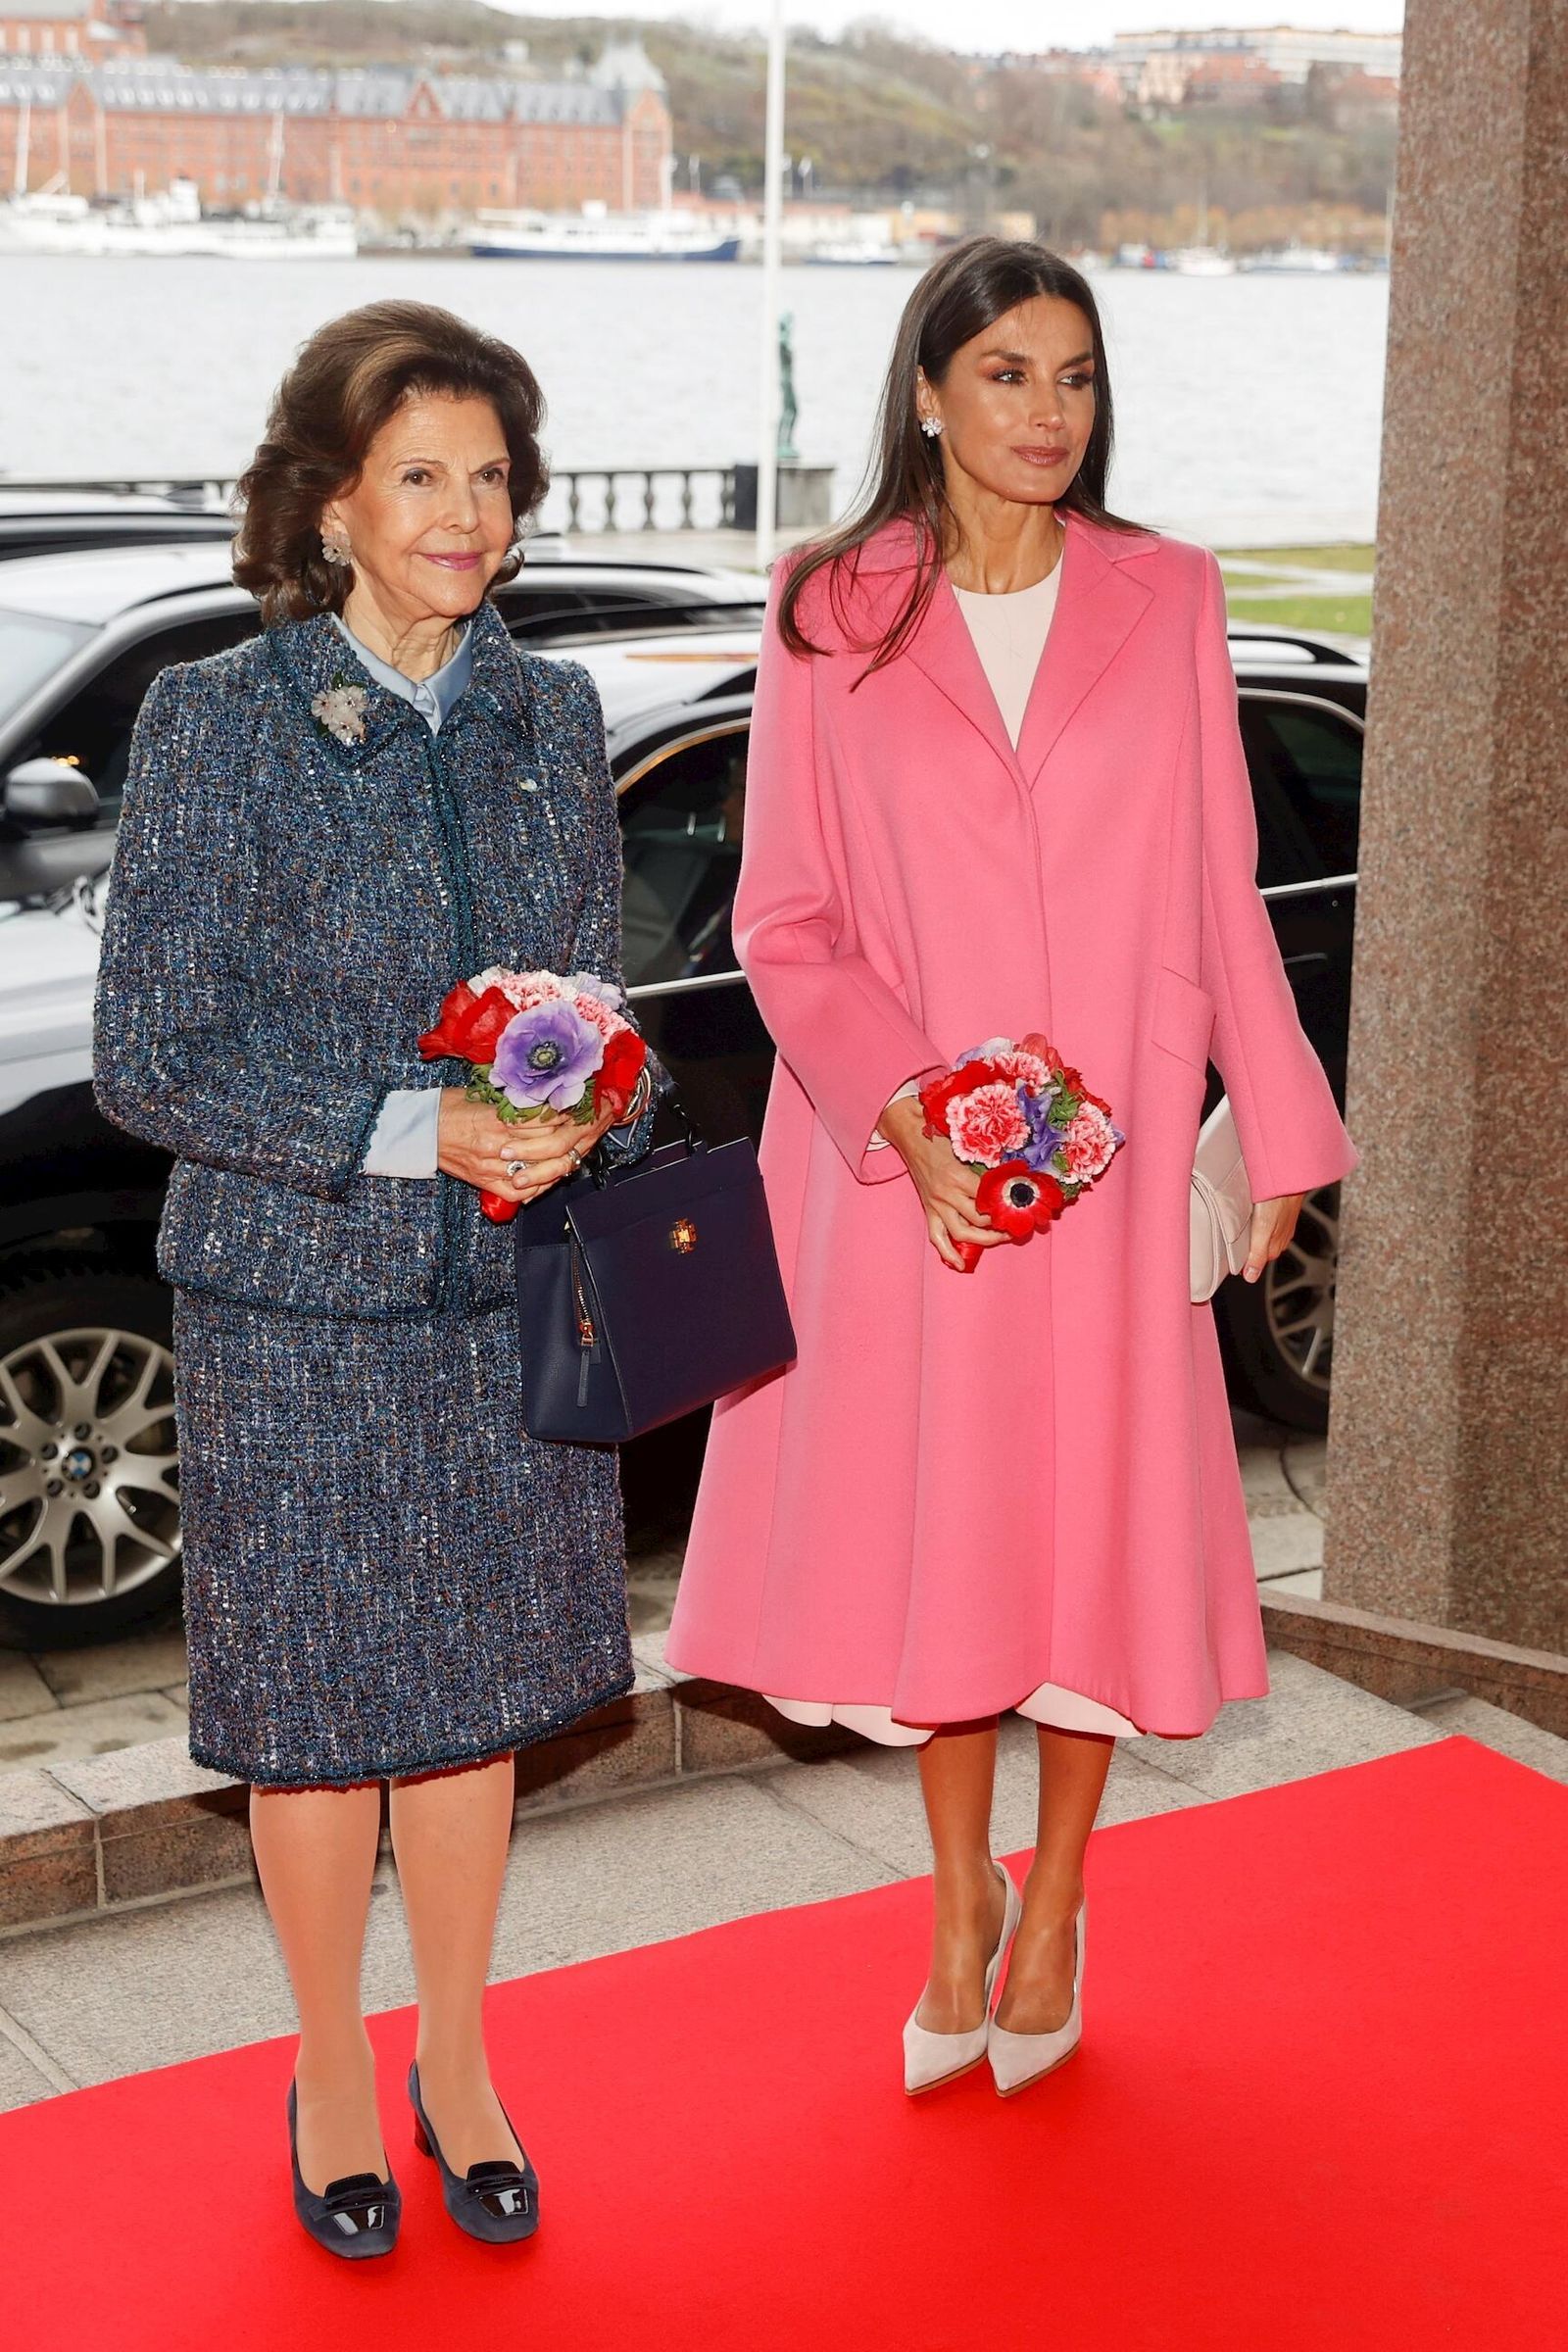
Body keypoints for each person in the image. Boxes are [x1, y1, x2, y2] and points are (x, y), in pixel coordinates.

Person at [664, 239, 1356, 2099]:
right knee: (958, 1533)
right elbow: (786, 919)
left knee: (1099, 1528)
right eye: (1007, 374)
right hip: (922, 1177)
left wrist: (1281, 1125)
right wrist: (906, 1111)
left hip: (1119, 1159)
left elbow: (1220, 879)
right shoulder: (828, 606)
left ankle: (1058, 1904)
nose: (1049, 413)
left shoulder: (1169, 590)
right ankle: (957, 1898)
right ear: (928, 390)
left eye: (1076, 376)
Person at [93, 301, 656, 2255]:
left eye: (490, 477)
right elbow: (153, 1055)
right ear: (327, 502)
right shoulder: (216, 720)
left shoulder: (547, 716)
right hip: (298, 1314)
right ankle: (333, 2063)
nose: (464, 514)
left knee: (480, 1707)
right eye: (420, 474)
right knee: (322, 1717)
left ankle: (460, 2056)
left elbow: (591, 999)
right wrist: (419, 1129)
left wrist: (585, 1110)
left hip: (507, 1298)